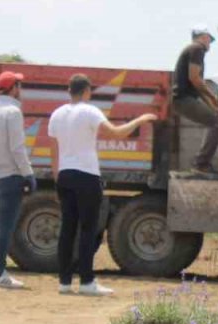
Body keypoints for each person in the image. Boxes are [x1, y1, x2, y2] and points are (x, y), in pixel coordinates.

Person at [48, 74, 158, 295]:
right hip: (87, 175)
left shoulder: (57, 114)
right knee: (88, 229)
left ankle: (64, 281)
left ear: (70, 90)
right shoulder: (90, 111)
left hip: (65, 175)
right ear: (87, 91)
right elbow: (117, 132)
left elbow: (54, 150)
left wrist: (57, 175)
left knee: (68, 229)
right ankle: (87, 281)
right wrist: (141, 119)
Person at [0, 70, 36, 289]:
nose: (21, 90)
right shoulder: (13, 112)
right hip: (9, 176)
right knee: (5, 228)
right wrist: (28, 173)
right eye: (19, 85)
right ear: (13, 88)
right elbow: (17, 148)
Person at [171, 24, 218, 174]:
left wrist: (213, 105)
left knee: (216, 118)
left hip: (184, 98)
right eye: (209, 40)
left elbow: (197, 87)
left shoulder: (194, 51)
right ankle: (201, 164)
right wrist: (213, 96)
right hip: (183, 98)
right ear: (203, 37)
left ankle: (201, 163)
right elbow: (194, 79)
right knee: (217, 121)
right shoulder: (197, 49)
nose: (210, 44)